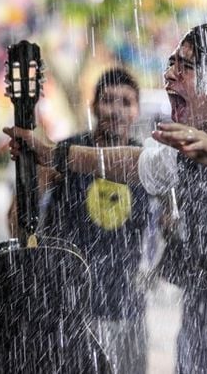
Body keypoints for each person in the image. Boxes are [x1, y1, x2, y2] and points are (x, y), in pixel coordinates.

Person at [4, 22, 207, 372]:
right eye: (171, 63)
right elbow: (135, 162)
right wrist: (54, 155)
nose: (169, 75)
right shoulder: (185, 147)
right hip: (204, 323)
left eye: (185, 66)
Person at [38, 67, 148, 374]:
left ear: (137, 110)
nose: (116, 110)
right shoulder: (64, 154)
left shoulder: (146, 163)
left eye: (126, 102)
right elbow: (22, 214)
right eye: (108, 100)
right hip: (68, 307)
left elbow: (170, 223)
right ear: (93, 106)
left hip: (126, 307)